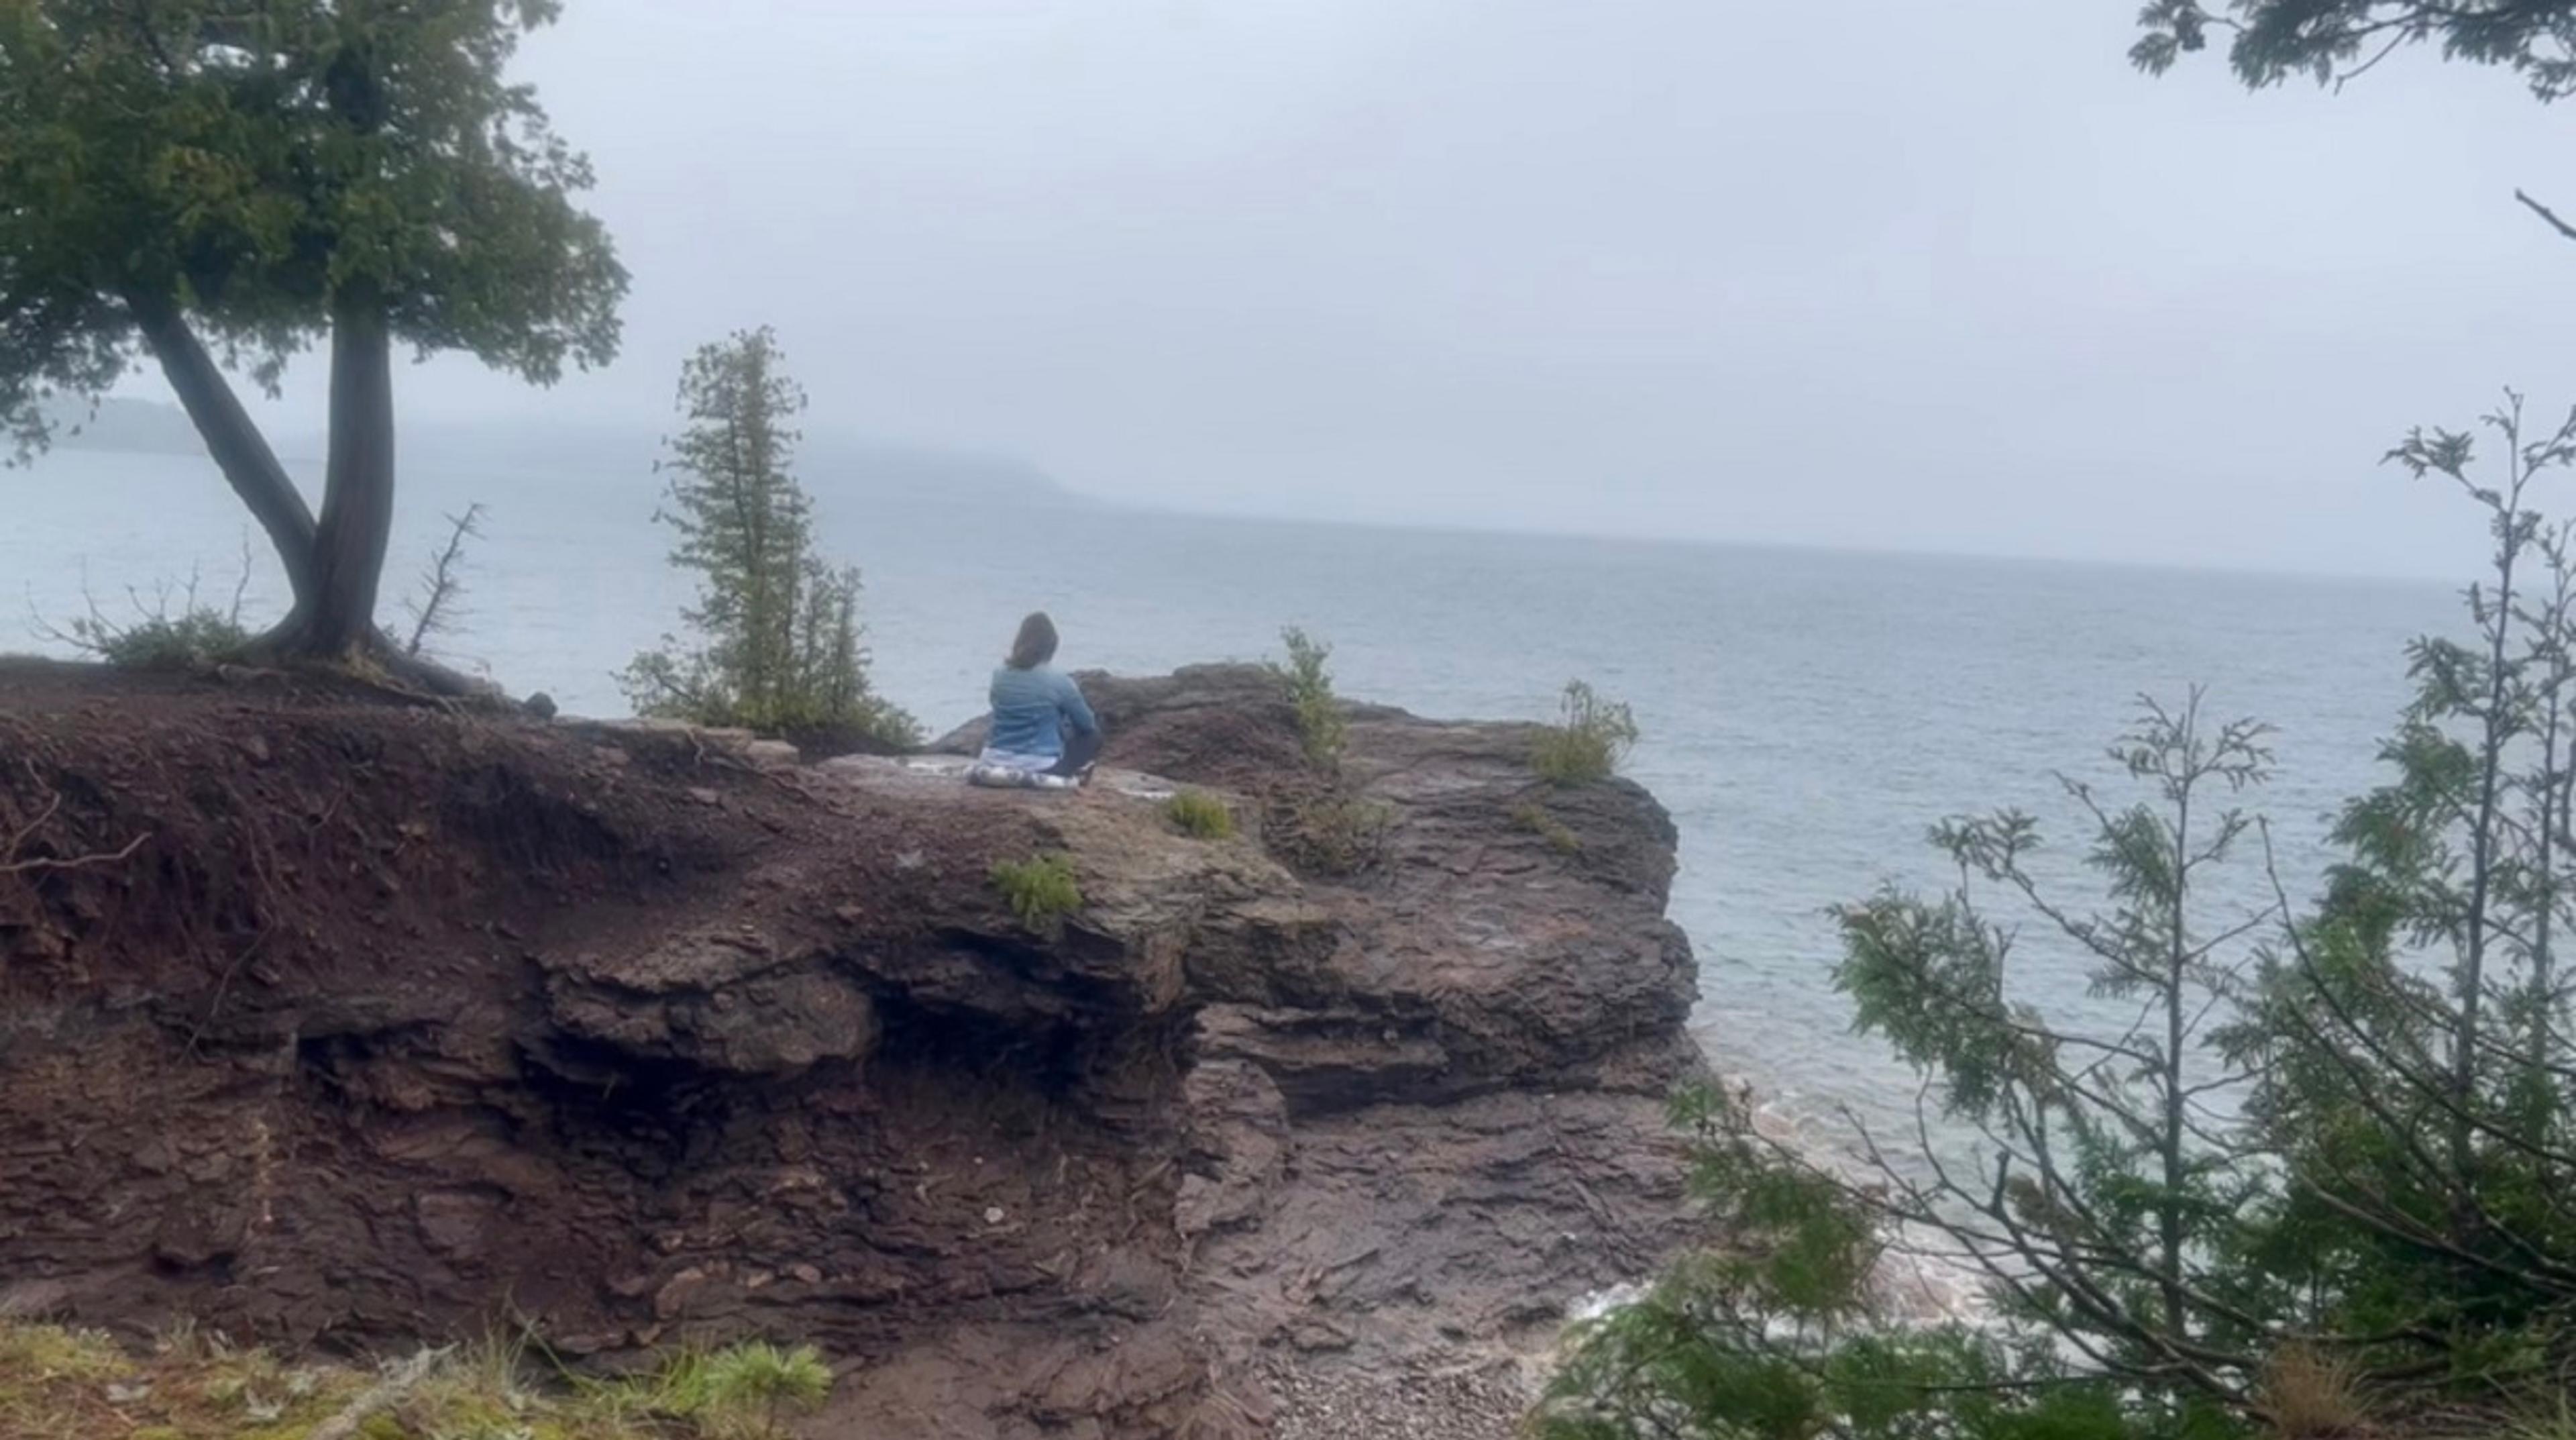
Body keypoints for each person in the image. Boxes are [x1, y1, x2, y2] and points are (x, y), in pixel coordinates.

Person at [978, 611, 1102, 784]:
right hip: (1039, 764)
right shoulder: (1059, 680)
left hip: (993, 758)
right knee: (1093, 735)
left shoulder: (999, 674)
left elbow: (996, 705)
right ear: (1051, 646)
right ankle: (1077, 773)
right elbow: (1087, 723)